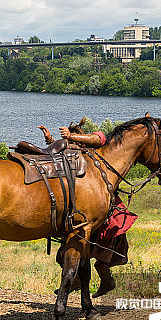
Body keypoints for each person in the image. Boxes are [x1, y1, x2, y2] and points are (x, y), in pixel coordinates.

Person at [38, 119, 136, 297]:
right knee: (69, 252)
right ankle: (77, 281)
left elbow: (98, 139)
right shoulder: (76, 153)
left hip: (107, 210)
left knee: (103, 254)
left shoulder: (95, 144)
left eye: (76, 138)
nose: (74, 142)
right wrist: (50, 139)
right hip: (86, 208)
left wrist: (72, 136)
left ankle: (106, 282)